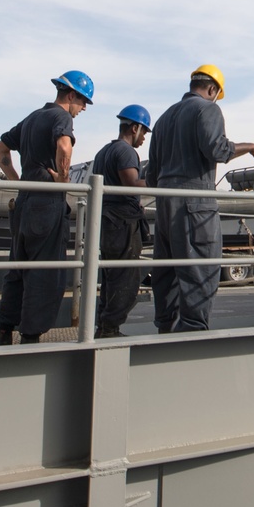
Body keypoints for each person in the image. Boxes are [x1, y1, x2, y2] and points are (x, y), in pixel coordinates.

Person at [146, 64, 254, 332]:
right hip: (194, 203)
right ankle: (191, 336)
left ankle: (164, 331)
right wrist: (251, 147)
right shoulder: (207, 109)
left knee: (167, 273)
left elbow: (151, 175)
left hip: (164, 204)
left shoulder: (163, 119)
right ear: (212, 89)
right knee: (201, 270)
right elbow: (217, 149)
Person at [0, 70, 93, 345]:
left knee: (18, 268)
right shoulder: (61, 117)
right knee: (44, 271)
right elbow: (64, 147)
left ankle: (5, 331)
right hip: (46, 204)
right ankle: (30, 337)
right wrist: (62, 178)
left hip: (24, 203)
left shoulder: (32, 117)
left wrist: (19, 181)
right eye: (83, 102)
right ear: (70, 95)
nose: (83, 108)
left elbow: (0, 151)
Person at [92, 105, 151, 338]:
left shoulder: (103, 152)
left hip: (108, 222)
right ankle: (110, 328)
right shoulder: (126, 152)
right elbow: (131, 185)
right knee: (126, 279)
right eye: (144, 132)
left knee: (111, 278)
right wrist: (158, 182)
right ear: (134, 128)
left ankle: (103, 326)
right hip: (122, 224)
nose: (144, 137)